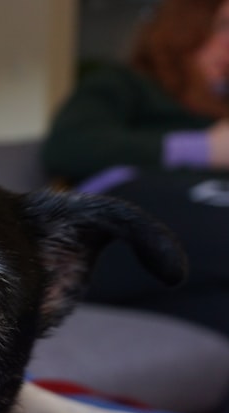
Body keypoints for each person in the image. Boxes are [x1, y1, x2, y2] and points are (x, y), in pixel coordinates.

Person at [42, 0, 229, 337]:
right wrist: (204, 148)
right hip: (129, 208)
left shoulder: (219, 106)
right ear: (185, 30)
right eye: (223, 26)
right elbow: (68, 147)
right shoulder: (125, 84)